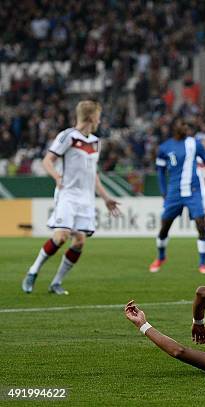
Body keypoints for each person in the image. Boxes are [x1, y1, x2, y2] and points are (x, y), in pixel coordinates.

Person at [22, 100, 121, 295]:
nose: (100, 121)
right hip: (67, 194)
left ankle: (56, 283)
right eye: (99, 116)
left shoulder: (95, 142)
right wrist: (58, 177)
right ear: (92, 117)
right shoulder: (67, 136)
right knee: (61, 236)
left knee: (79, 242)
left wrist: (106, 197)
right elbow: (47, 160)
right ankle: (33, 271)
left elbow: (94, 174)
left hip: (86, 199)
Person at [149, 119, 205, 274]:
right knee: (165, 226)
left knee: (201, 223)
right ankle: (160, 257)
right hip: (174, 192)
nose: (185, 128)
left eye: (187, 126)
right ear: (175, 128)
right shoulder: (164, 148)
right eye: (182, 125)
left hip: (193, 191)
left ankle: (202, 263)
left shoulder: (194, 144)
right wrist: (164, 192)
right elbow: (160, 172)